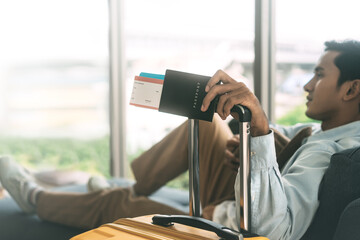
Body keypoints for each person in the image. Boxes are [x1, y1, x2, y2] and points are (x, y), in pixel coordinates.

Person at [1, 39, 360, 240]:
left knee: (116, 207)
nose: (308, 85)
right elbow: (296, 151)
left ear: (352, 89)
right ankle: (137, 186)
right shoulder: (327, 131)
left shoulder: (335, 151)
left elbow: (273, 229)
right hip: (246, 191)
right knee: (203, 119)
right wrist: (263, 142)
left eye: (319, 74)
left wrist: (260, 134)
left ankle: (37, 199)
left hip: (234, 219)